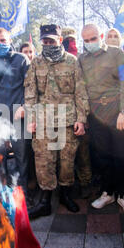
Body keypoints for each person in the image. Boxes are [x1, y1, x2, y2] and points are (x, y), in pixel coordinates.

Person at [24, 24, 88, 219]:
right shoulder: (36, 62)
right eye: (45, 41)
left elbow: (80, 92)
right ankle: (45, 201)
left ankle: (65, 196)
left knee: (67, 162)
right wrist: (31, 119)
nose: (48, 44)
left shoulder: (72, 61)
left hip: (68, 121)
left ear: (60, 40)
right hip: (43, 122)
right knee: (44, 162)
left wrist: (82, 119)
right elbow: (30, 92)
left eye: (52, 40)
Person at [79, 24, 124, 216]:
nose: (89, 43)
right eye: (85, 41)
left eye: (93, 39)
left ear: (101, 36)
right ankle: (108, 192)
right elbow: (81, 88)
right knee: (103, 155)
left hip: (116, 110)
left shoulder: (117, 54)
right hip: (96, 113)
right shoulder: (82, 59)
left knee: (122, 154)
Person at [0, 28, 32, 205]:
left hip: (19, 118)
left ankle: (24, 194)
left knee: (22, 157)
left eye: (2, 40)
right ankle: (3, 194)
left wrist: (26, 106)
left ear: (9, 40)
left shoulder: (21, 59)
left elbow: (30, 86)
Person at [62, 27, 93, 198]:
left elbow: (82, 90)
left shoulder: (80, 59)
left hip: (81, 112)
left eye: (72, 39)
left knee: (83, 152)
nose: (70, 43)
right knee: (66, 155)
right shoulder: (61, 60)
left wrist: (83, 116)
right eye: (67, 40)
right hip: (64, 115)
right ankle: (69, 186)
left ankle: (86, 182)